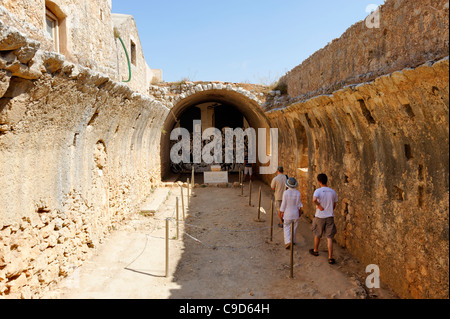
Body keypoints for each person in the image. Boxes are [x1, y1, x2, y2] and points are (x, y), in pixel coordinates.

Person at [310, 173, 339, 265]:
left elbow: (314, 200)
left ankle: (315, 250)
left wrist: (319, 206)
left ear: (319, 181)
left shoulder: (318, 191)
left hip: (320, 216)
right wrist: (329, 209)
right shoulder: (333, 192)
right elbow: (334, 204)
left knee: (318, 234)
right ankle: (330, 257)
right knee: (329, 237)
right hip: (330, 216)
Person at [279, 177, 303, 250]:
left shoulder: (285, 193)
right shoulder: (298, 193)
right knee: (294, 228)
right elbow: (299, 204)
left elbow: (284, 204)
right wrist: (299, 212)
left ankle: (288, 241)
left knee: (286, 227)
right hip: (295, 213)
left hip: (287, 213)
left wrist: (281, 211)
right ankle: (293, 240)